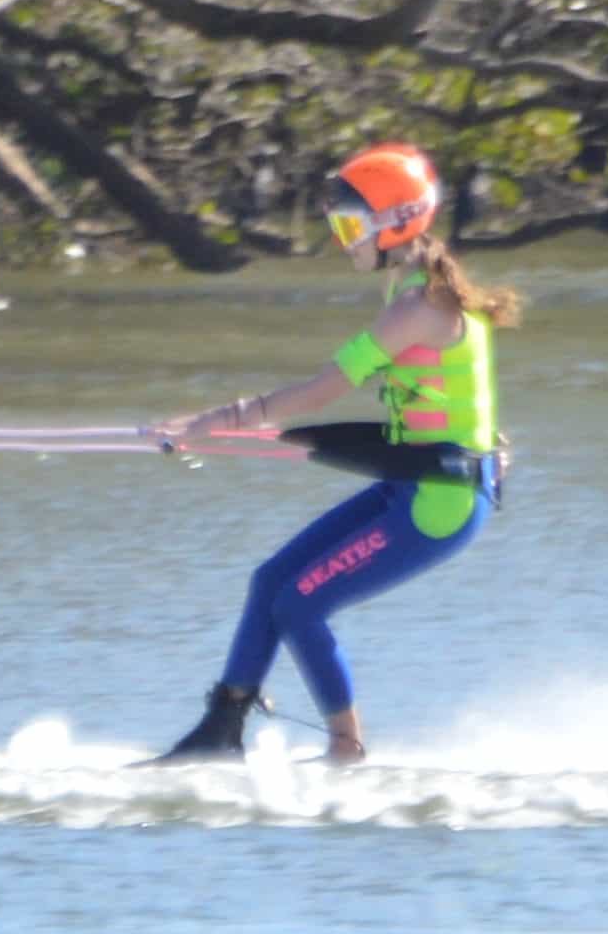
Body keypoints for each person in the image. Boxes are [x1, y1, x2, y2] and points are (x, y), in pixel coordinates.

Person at [142, 144, 513, 766]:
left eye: (349, 226)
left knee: (300, 604)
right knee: (270, 584)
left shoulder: (418, 312)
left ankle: (346, 752)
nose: (343, 242)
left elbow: (318, 393)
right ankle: (220, 729)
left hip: (437, 503)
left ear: (395, 224)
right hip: (418, 485)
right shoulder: (426, 295)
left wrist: (208, 424)